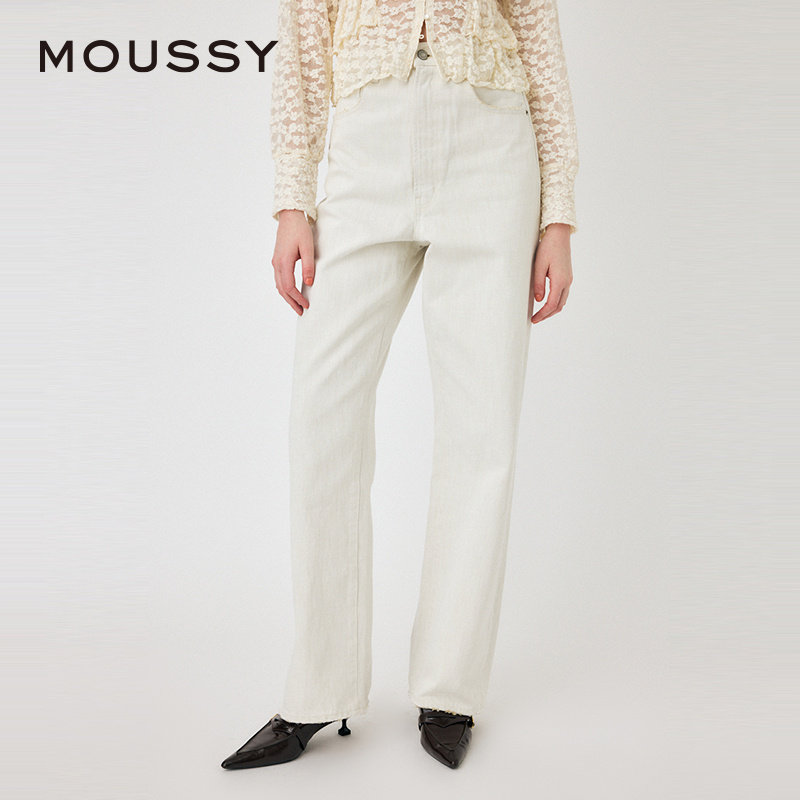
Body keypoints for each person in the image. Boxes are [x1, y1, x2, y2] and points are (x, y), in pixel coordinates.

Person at [221, 0, 578, 771]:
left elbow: (541, 52)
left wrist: (558, 218)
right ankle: (319, 689)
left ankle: (450, 687)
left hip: (492, 146)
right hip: (366, 146)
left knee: (482, 429)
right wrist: (292, 201)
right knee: (321, 416)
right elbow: (302, 55)